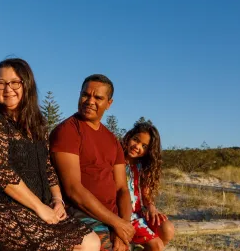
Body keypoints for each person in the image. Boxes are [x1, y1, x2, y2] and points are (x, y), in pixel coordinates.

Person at [0, 58, 100, 251]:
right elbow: (1, 172)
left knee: (91, 241)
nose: (7, 89)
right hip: (1, 206)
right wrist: (40, 208)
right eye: (1, 83)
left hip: (38, 205)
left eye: (15, 82)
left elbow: (47, 167)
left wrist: (57, 200)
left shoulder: (37, 122)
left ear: (27, 84)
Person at [50, 74, 135, 251]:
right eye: (85, 95)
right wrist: (117, 223)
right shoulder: (68, 131)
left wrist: (123, 226)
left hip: (112, 216)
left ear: (109, 104)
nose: (90, 101)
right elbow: (74, 190)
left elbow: (122, 189)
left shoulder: (112, 140)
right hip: (80, 213)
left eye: (98, 97)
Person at [123, 123, 175, 251]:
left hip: (139, 212)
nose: (137, 146)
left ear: (149, 151)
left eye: (144, 146)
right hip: (123, 214)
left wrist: (151, 207)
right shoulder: (116, 159)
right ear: (129, 136)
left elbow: (145, 193)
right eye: (135, 140)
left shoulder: (142, 166)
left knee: (167, 229)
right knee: (157, 246)